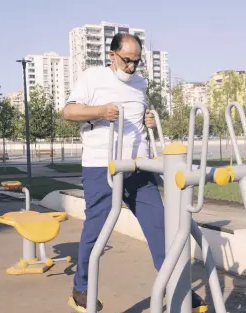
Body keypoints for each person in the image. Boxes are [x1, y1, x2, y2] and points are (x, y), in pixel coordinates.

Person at [63, 32, 208, 313]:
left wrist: (148, 119)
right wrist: (101, 111)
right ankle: (80, 289)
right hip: (102, 167)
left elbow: (137, 117)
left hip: (139, 168)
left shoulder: (139, 84)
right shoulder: (92, 78)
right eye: (127, 60)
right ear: (112, 55)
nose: (131, 67)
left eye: (136, 62)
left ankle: (177, 289)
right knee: (96, 232)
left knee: (161, 230)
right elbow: (68, 112)